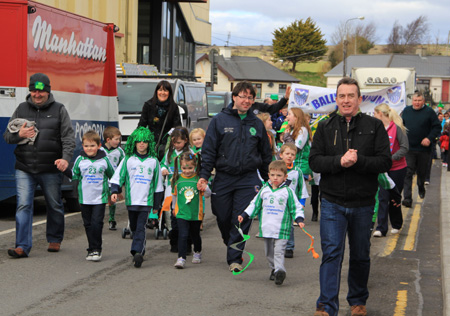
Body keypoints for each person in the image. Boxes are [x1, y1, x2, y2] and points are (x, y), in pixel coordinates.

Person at [309, 77, 392, 316]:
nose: (346, 100)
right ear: (336, 99)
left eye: (351, 96)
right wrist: (339, 161)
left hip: (363, 204)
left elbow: (385, 161)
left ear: (359, 99)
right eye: (342, 96)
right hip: (333, 203)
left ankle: (357, 301)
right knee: (332, 254)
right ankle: (326, 306)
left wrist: (359, 160)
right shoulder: (324, 126)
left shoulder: (374, 126)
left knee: (360, 256)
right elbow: (315, 161)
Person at [197, 81, 272, 273]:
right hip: (223, 177)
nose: (246, 101)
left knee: (241, 218)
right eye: (243, 97)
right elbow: (208, 151)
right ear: (234, 97)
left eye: (250, 97)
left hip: (248, 179)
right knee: (222, 216)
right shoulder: (219, 121)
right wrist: (204, 176)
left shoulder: (256, 123)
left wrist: (270, 180)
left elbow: (265, 154)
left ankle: (235, 258)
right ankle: (230, 241)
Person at [3, 73, 75, 258]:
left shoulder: (59, 109)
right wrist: (20, 135)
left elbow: (68, 137)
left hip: (50, 168)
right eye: (34, 90)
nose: (37, 94)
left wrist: (66, 158)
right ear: (30, 91)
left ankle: (54, 238)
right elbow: (7, 137)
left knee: (54, 204)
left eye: (41, 91)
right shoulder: (21, 109)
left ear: (48, 91)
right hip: (24, 167)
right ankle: (22, 246)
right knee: (23, 205)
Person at [238, 160, 305, 285]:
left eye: (279, 176)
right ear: (269, 175)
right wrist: (244, 214)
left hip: (282, 229)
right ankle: (273, 268)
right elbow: (255, 204)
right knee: (269, 252)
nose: (275, 178)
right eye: (273, 175)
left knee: (279, 251)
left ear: (285, 177)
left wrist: (299, 219)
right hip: (267, 228)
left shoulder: (287, 192)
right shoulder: (264, 190)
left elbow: (295, 207)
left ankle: (280, 271)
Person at [110, 127, 164, 268]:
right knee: (133, 227)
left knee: (141, 227)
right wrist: (114, 191)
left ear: (149, 143)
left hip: (146, 202)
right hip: (132, 200)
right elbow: (117, 177)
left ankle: (137, 252)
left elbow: (158, 185)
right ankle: (140, 246)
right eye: (139, 141)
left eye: (144, 142)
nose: (141, 144)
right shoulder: (128, 160)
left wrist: (156, 206)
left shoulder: (154, 161)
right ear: (134, 142)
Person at [66, 131, 115, 261]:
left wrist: (115, 191)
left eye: (92, 146)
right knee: (87, 224)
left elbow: (113, 175)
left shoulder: (104, 160)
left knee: (96, 223)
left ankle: (97, 249)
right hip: (84, 198)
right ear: (82, 146)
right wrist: (63, 170)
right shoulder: (80, 160)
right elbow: (75, 175)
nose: (89, 149)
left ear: (99, 146)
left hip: (99, 198)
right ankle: (91, 249)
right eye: (86, 146)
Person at [372, 104, 409, 237]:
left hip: (398, 169)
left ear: (380, 114)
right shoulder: (377, 129)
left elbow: (405, 148)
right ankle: (381, 228)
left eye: (374, 114)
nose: (373, 116)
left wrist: (391, 158)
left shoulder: (397, 128)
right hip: (383, 169)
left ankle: (397, 223)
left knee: (394, 197)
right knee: (383, 197)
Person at [401, 92, 441, 207]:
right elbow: (401, 126)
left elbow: (437, 127)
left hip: (424, 149)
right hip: (409, 149)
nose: (417, 103)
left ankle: (421, 186)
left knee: (421, 173)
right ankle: (407, 199)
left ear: (423, 101)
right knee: (408, 173)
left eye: (419, 100)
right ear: (412, 101)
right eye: (415, 100)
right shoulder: (406, 111)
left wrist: (429, 138)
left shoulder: (429, 112)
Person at [171, 152, 211, 268]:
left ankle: (197, 252)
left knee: (195, 235)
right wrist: (174, 208)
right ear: (180, 167)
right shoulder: (177, 179)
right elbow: (174, 195)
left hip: (195, 213)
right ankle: (181, 258)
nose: (187, 171)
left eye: (190, 168)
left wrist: (206, 187)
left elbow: (208, 194)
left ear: (195, 166)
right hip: (182, 213)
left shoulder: (198, 179)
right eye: (184, 168)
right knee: (182, 235)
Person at [160, 127, 194, 252]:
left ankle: (187, 243)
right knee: (171, 213)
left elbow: (195, 168)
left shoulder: (190, 153)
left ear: (185, 141)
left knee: (185, 215)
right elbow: (163, 164)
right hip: (171, 187)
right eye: (174, 142)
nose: (176, 145)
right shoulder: (170, 152)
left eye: (178, 142)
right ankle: (174, 242)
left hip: (186, 188)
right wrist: (163, 169)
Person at [137, 80, 181, 160]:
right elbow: (141, 126)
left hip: (166, 145)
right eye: (160, 90)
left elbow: (178, 127)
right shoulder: (148, 105)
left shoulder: (173, 107)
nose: (162, 93)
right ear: (156, 91)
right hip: (151, 144)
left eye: (165, 90)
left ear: (169, 93)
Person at [278, 143, 308, 258]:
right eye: (287, 154)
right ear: (281, 155)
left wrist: (302, 203)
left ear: (295, 157)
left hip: (290, 204)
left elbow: (302, 188)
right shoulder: (276, 169)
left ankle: (289, 247)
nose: (289, 156)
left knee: (289, 225)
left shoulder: (297, 172)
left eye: (292, 154)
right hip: (277, 203)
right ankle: (277, 245)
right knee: (277, 224)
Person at [100, 126, 125, 231]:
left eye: (119, 139)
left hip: (113, 180)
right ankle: (99, 221)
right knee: (100, 201)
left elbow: (123, 166)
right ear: (108, 140)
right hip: (101, 180)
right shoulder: (100, 150)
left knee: (112, 200)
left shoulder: (120, 152)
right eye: (116, 139)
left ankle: (112, 219)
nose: (118, 141)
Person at [282, 107, 313, 180]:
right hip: (291, 166)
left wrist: (287, 136)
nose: (287, 116)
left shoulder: (302, 130)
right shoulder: (292, 130)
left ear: (296, 117)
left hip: (299, 166)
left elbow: (295, 148)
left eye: (289, 114)